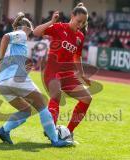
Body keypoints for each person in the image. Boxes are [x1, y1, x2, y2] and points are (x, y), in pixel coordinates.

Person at [0, 12, 72, 147]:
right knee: (42, 105)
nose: (29, 36)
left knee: (25, 111)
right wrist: (0, 55)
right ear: (27, 28)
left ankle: (4, 130)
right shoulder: (21, 33)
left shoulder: (15, 44)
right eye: (29, 32)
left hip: (1, 83)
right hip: (15, 79)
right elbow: (5, 36)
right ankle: (55, 140)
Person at [33, 3, 92, 142]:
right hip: (52, 71)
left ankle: (67, 133)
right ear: (72, 16)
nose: (80, 24)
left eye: (83, 23)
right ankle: (52, 132)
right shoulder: (59, 27)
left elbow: (77, 56)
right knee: (56, 95)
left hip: (68, 74)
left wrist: (81, 74)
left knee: (87, 99)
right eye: (78, 21)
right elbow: (36, 32)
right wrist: (52, 21)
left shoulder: (80, 36)